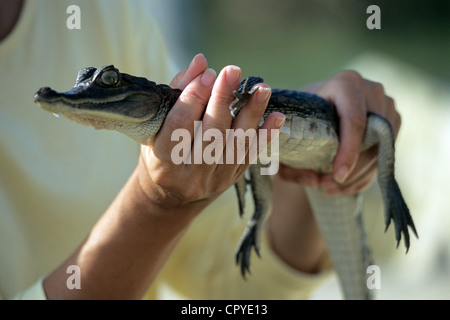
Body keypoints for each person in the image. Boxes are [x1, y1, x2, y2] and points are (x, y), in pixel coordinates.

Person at [0, 0, 401, 299]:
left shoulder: (103, 10)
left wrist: (310, 153)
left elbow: (226, 283)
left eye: (105, 80)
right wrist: (156, 203)